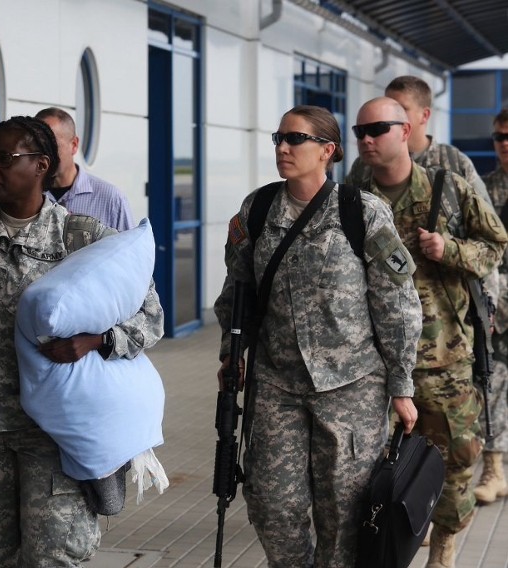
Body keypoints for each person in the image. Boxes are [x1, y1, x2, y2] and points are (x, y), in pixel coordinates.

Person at [0, 116, 164, 566]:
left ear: (41, 165)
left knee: (53, 558)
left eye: (4, 159)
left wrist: (96, 341)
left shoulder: (82, 237)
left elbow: (150, 319)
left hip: (53, 435)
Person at [214, 105, 422, 567]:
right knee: (271, 504)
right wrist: (233, 353)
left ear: (327, 150)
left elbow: (397, 304)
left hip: (351, 388)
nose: (284, 148)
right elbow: (238, 290)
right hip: (276, 382)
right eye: (279, 139)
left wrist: (401, 384)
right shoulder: (258, 208)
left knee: (345, 513)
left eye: (296, 139)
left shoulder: (362, 212)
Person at [353, 97, 508, 568]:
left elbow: (495, 246)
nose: (366, 139)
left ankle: (444, 544)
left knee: (457, 454)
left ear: (406, 131)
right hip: (371, 354)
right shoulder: (352, 193)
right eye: (360, 131)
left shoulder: (450, 188)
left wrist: (451, 250)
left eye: (377, 128)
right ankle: (386, 534)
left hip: (444, 351)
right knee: (369, 458)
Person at [347, 75, 491, 205]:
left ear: (425, 115)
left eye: (401, 109)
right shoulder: (364, 166)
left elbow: (489, 229)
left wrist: (447, 236)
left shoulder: (454, 162)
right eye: (389, 108)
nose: (392, 115)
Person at [474, 108, 508, 505]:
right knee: (493, 383)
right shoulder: (485, 189)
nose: (505, 145)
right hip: (499, 304)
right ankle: (494, 470)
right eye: (499, 137)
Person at [34, 107, 134, 230]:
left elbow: (130, 248)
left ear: (74, 145)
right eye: (37, 145)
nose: (44, 153)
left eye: (52, 145)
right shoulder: (24, 195)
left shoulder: (111, 200)